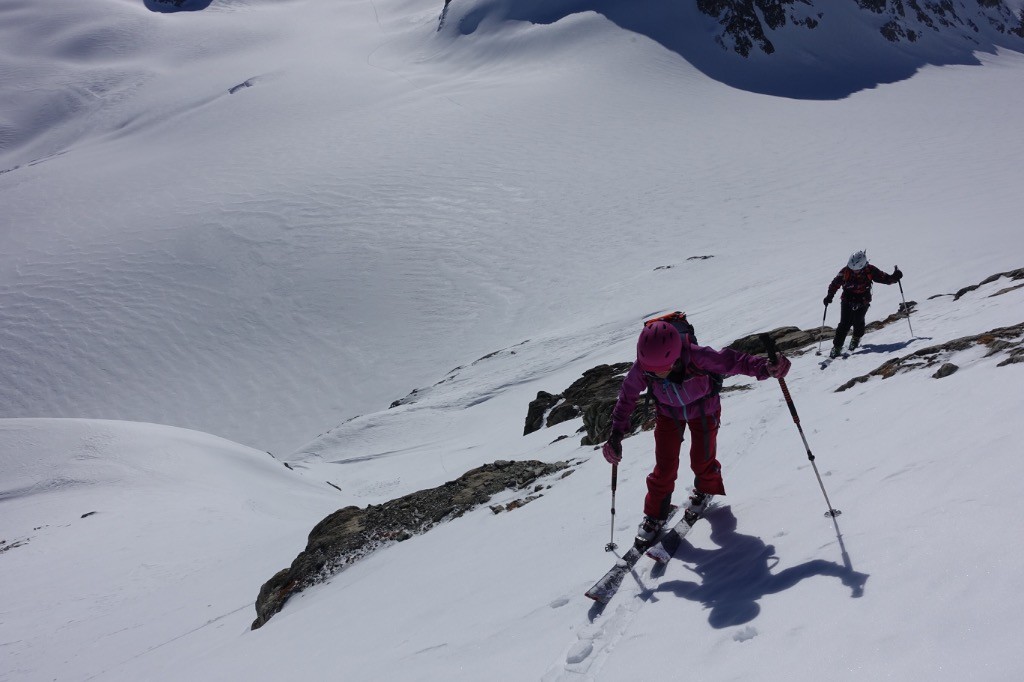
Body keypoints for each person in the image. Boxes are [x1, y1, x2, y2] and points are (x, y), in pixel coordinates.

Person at [601, 318, 791, 546]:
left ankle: (705, 489)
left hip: (704, 410)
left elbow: (733, 361)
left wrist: (766, 367)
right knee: (664, 468)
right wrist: (616, 434)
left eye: (661, 370)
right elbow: (627, 397)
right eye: (651, 371)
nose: (655, 375)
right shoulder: (643, 367)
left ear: (674, 355)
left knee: (702, 459)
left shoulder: (696, 355)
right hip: (668, 415)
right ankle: (654, 516)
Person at [823, 250, 902, 358]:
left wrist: (894, 278)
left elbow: (884, 278)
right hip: (847, 299)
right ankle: (837, 347)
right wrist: (829, 296)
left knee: (858, 321)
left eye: (857, 269)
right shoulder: (846, 271)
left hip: (863, 300)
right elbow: (835, 283)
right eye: (852, 269)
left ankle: (856, 338)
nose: (854, 271)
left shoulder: (870, 270)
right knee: (844, 324)